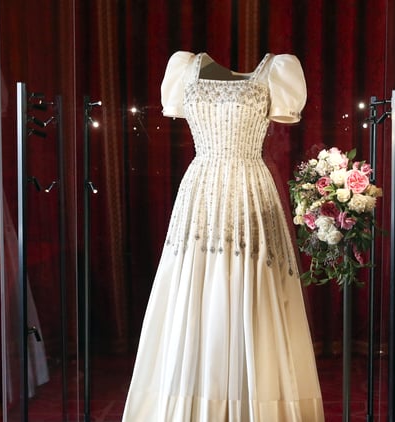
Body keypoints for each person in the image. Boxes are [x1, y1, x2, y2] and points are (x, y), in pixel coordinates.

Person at [122, 51, 324, 421]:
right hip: (203, 191)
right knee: (197, 285)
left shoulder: (278, 71)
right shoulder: (184, 68)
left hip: (251, 188)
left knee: (254, 285)